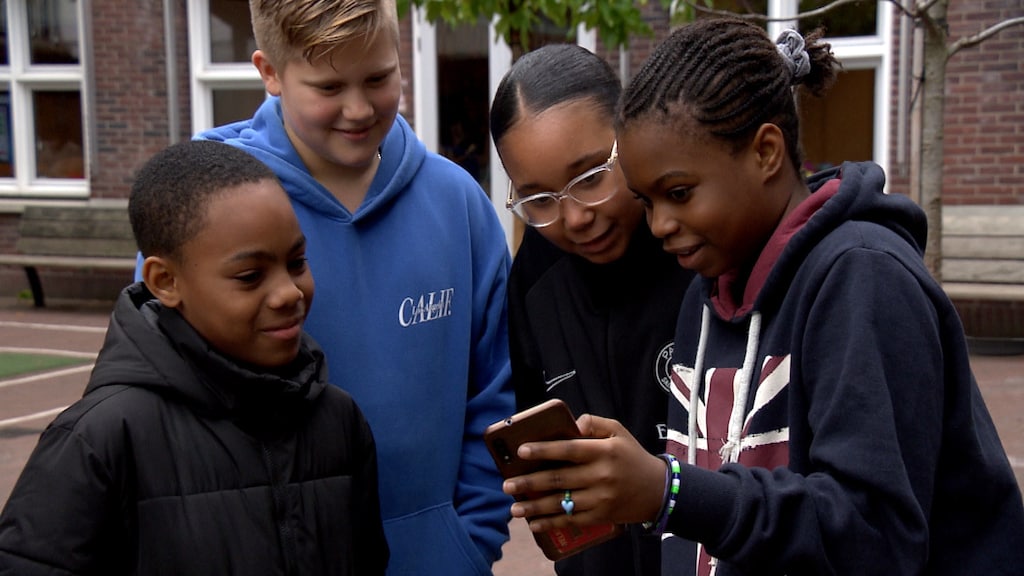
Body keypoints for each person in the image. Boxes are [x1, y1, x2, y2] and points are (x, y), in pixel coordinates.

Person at [500, 18, 1024, 575]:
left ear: (767, 151)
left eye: (678, 194)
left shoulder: (864, 281)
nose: (659, 225)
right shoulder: (703, 298)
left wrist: (668, 492)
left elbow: (876, 537)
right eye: (647, 201)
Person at [193, 1, 514, 573]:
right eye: (329, 86)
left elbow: (494, 389)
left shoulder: (459, 202)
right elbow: (178, 408)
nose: (359, 108)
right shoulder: (204, 211)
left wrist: (468, 541)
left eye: (379, 78)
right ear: (269, 72)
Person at [0, 140, 389, 575]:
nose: (288, 292)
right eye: (250, 276)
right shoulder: (101, 439)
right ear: (165, 281)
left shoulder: (338, 420)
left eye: (297, 262)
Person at [489, 43, 695, 576]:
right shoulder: (534, 277)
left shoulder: (700, 248)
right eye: (539, 199)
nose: (574, 217)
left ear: (628, 134)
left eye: (590, 178)